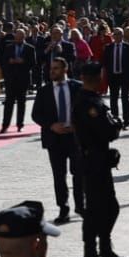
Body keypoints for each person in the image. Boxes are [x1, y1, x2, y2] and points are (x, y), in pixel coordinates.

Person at [73, 63, 127, 257]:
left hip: (100, 159)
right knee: (95, 210)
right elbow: (108, 131)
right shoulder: (89, 103)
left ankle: (105, 247)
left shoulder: (91, 98)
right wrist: (116, 125)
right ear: (97, 77)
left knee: (110, 207)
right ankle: (90, 255)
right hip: (92, 160)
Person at [30, 57, 84, 224]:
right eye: (51, 69)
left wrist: (79, 125)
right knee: (59, 176)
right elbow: (36, 114)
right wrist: (51, 125)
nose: (52, 71)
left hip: (75, 138)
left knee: (79, 173)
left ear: (65, 69)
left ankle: (81, 206)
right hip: (54, 139)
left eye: (56, 69)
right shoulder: (44, 91)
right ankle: (63, 208)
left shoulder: (77, 87)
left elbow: (87, 108)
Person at [0, 29, 35, 133]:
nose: (18, 39)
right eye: (17, 37)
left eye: (21, 37)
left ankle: (20, 124)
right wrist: (10, 62)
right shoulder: (9, 48)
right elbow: (3, 61)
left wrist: (24, 61)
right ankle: (5, 125)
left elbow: (33, 63)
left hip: (23, 79)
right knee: (9, 103)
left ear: (24, 37)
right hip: (11, 79)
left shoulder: (30, 48)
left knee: (21, 103)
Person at [102, 34, 129, 129]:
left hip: (125, 76)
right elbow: (105, 61)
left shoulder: (128, 47)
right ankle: (115, 121)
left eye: (119, 35)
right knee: (113, 98)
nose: (117, 37)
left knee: (125, 98)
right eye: (115, 35)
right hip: (113, 76)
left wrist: (128, 72)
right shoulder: (109, 47)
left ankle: (126, 122)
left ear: (122, 36)